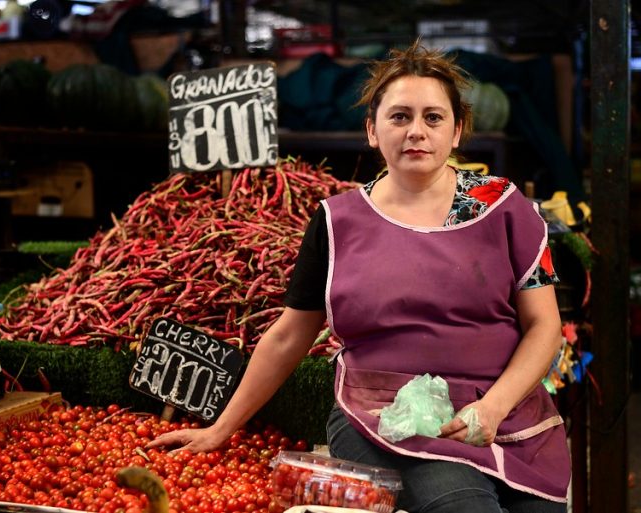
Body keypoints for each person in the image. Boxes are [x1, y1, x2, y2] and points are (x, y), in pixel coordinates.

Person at [149, 40, 571, 513]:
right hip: (384, 421)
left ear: (458, 131)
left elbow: (544, 326)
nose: (416, 131)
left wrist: (492, 408)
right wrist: (220, 428)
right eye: (399, 117)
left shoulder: (506, 208)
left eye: (433, 118)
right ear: (372, 130)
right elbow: (289, 335)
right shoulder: (337, 221)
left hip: (508, 416)